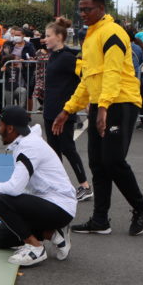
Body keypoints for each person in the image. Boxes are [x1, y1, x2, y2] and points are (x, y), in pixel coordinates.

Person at [52, 0, 143, 236]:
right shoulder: (91, 36)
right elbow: (88, 79)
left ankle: (142, 207)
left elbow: (113, 72)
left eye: (87, 9)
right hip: (102, 102)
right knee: (97, 163)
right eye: (80, 10)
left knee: (113, 160)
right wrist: (67, 110)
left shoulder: (113, 32)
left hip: (120, 101)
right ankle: (100, 220)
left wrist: (105, 107)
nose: (82, 14)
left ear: (101, 8)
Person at [0, 106, 76, 267]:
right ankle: (53, 233)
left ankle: (35, 248)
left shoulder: (28, 147)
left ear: (10, 128)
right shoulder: (24, 142)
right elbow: (22, 189)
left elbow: (14, 188)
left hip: (59, 207)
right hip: (45, 203)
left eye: (0, 125)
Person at [42, 18, 91, 200]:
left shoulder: (68, 58)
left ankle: (85, 185)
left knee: (68, 148)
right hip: (49, 110)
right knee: (53, 152)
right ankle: (59, 185)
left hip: (63, 111)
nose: (45, 39)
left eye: (48, 36)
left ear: (60, 37)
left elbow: (86, 77)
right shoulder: (53, 55)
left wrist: (87, 101)